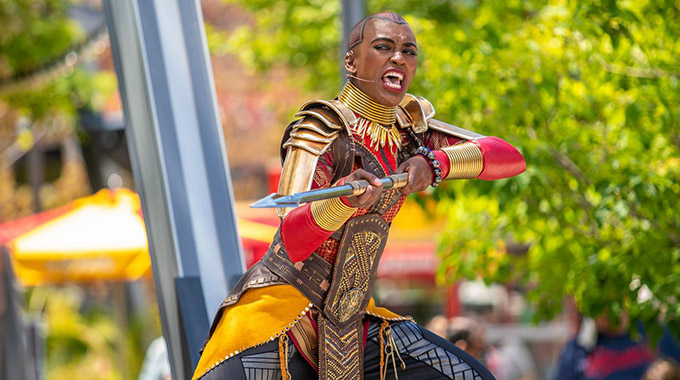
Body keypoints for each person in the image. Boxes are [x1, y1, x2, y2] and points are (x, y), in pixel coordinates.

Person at [193, 12, 525, 380]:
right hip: (281, 313)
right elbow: (294, 236)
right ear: (351, 60)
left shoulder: (411, 134)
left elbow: (509, 158)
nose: (398, 57)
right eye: (383, 47)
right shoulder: (322, 127)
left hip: (353, 323)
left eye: (408, 51)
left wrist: (435, 163)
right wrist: (343, 201)